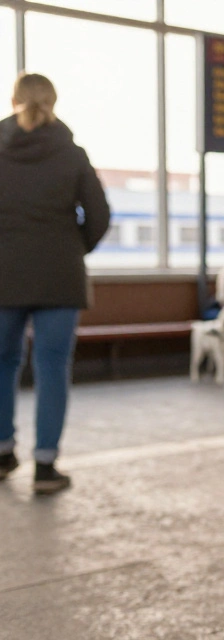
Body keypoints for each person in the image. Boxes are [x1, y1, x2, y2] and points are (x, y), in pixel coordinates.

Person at [0, 73, 110, 495]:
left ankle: (2, 452)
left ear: (13, 100)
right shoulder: (72, 153)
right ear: (54, 102)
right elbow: (99, 215)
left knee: (2, 362)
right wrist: (71, 247)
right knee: (51, 367)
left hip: (4, 275)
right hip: (59, 275)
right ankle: (45, 467)